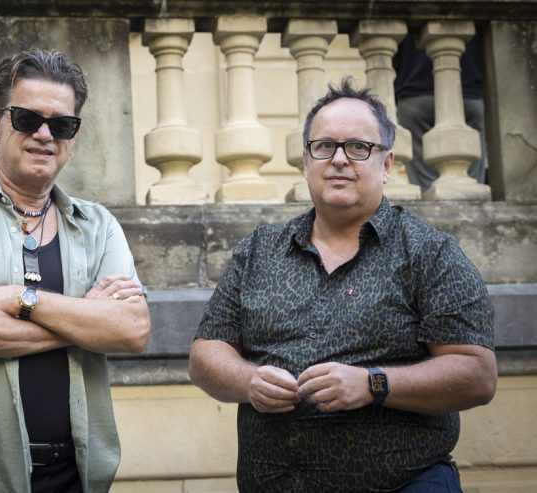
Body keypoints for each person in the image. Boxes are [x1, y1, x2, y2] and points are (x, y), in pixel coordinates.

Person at [188, 77, 496, 493]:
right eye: (324, 146)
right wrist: (248, 380)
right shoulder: (258, 251)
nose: (338, 159)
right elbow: (206, 352)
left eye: (358, 147)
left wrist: (373, 384)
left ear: (386, 165)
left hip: (402, 484)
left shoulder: (430, 254)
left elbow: (477, 375)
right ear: (306, 161)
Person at [0, 48, 151, 493]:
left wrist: (18, 298)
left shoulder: (98, 226)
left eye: (61, 124)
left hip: (74, 476)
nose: (44, 134)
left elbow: (132, 329)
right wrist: (82, 321)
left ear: (73, 135)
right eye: (26, 118)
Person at [393, 32, 488, 191]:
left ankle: (433, 214)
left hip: (414, 94)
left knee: (425, 184)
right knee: (473, 182)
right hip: (469, 93)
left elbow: (394, 57)